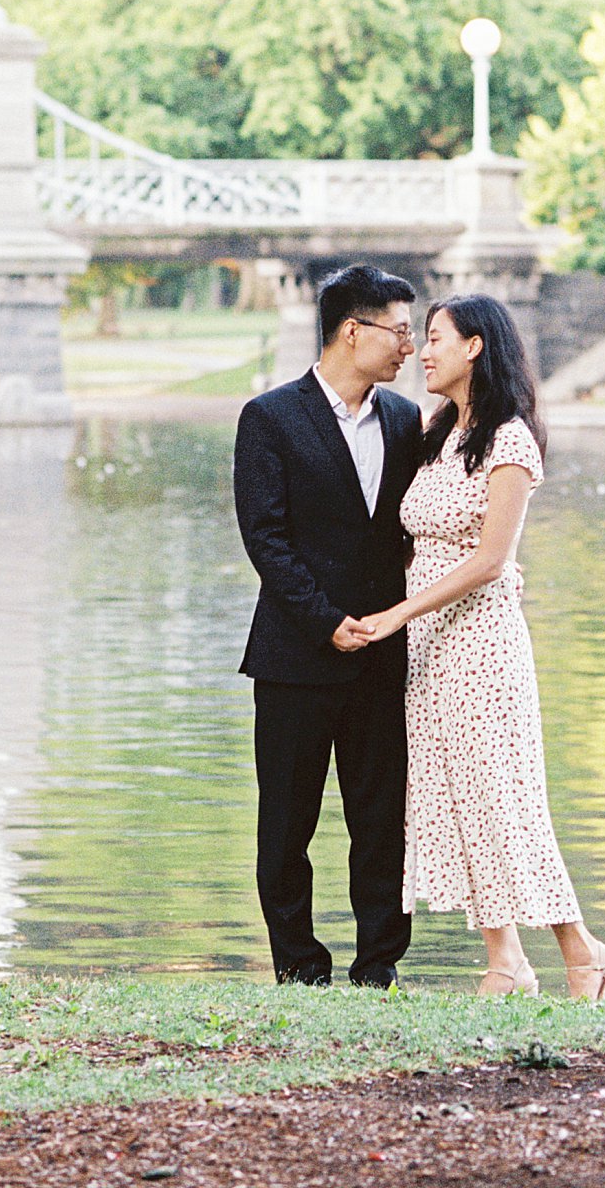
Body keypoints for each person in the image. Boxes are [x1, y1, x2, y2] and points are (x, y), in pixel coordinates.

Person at [357, 294, 605, 1000]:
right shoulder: (436, 434)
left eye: (434, 339)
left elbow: (490, 560)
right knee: (460, 801)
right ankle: (506, 963)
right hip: (430, 650)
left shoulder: (510, 439)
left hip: (482, 646)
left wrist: (396, 614)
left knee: (503, 801)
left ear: (475, 347)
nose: (422, 353)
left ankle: (587, 956)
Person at [233, 263, 423, 987]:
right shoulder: (270, 417)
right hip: (295, 658)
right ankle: (300, 968)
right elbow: (266, 540)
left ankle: (378, 968)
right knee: (287, 825)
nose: (409, 346)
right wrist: (326, 621)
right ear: (354, 330)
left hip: (383, 657)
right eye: (400, 331)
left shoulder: (407, 421)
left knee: (381, 825)